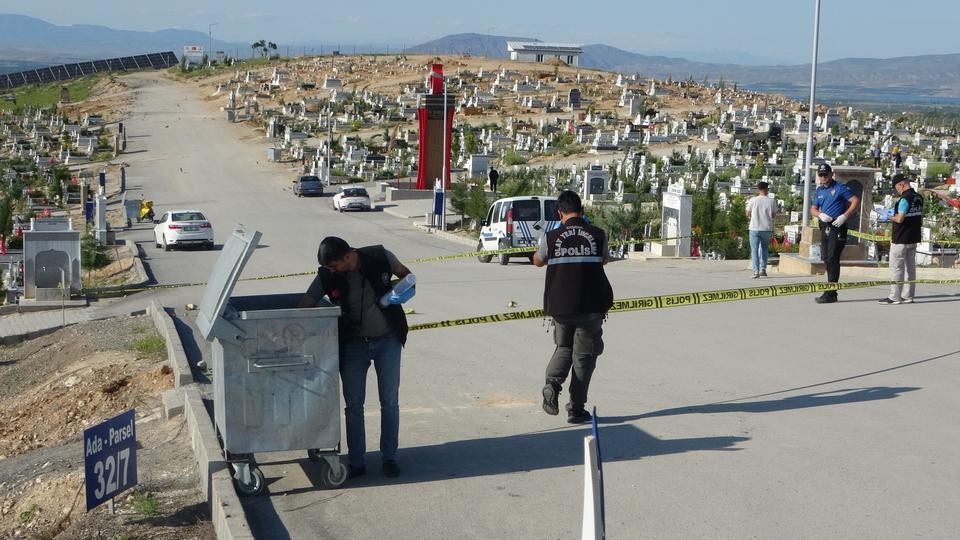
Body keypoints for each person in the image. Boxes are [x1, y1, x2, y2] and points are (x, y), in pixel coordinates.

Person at [298, 237, 411, 479]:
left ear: (347, 256)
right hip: (353, 345)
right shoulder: (328, 275)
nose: (331, 271)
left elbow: (407, 276)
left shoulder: (381, 258)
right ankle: (356, 461)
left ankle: (390, 458)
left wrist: (400, 292)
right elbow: (306, 303)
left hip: (387, 340)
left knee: (389, 402)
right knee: (353, 405)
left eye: (334, 265)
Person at [533, 190, 613, 424]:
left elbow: (538, 261)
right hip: (590, 307)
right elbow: (605, 259)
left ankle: (551, 385)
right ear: (583, 211)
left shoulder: (551, 237)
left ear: (560, 213)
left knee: (564, 347)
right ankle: (576, 408)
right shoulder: (598, 235)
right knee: (584, 357)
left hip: (560, 307)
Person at [810, 163, 860, 304]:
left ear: (831, 174)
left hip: (837, 226)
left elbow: (855, 201)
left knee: (833, 257)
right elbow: (813, 209)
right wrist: (820, 215)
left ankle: (831, 292)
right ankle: (830, 289)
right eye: (821, 175)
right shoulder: (819, 190)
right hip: (825, 226)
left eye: (825, 174)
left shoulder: (839, 188)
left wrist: (845, 215)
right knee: (826, 257)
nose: (823, 177)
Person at [879, 174, 922, 304]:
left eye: (896, 187)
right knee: (910, 268)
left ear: (901, 185)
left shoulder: (904, 199)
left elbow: (899, 218)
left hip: (900, 238)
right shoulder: (918, 197)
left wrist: (888, 216)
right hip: (913, 237)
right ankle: (908, 295)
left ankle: (895, 297)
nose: (896, 190)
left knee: (897, 267)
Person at [745, 181, 778, 278]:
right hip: (766, 228)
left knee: (754, 250)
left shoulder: (753, 200)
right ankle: (763, 269)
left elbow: (747, 213)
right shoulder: (771, 201)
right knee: (764, 249)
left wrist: (754, 215)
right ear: (766, 189)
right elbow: (773, 215)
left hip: (754, 228)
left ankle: (756, 271)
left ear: (758, 189)